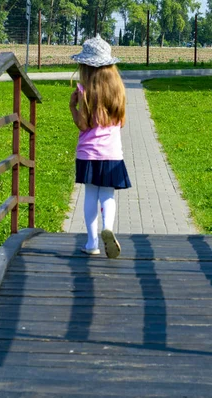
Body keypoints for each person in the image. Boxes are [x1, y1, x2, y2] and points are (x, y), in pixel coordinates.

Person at [69, 35, 131, 259]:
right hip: (112, 154)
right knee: (107, 194)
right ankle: (108, 227)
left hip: (87, 154)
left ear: (86, 67)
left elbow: (83, 124)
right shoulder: (118, 90)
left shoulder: (84, 91)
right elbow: (121, 122)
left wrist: (72, 107)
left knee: (89, 195)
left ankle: (92, 242)